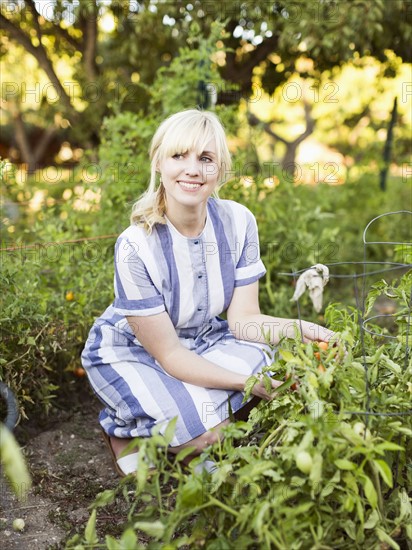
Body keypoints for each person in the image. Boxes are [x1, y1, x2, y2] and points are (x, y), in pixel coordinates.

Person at [81, 109, 333, 476]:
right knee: (209, 435)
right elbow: (168, 353)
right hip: (134, 350)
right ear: (158, 162)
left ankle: (181, 428)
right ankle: (122, 429)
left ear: (221, 170)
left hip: (202, 339)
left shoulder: (238, 221)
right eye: (179, 156)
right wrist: (246, 384)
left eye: (206, 159)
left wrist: (303, 329)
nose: (193, 170)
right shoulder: (136, 245)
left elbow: (244, 322)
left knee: (270, 354)